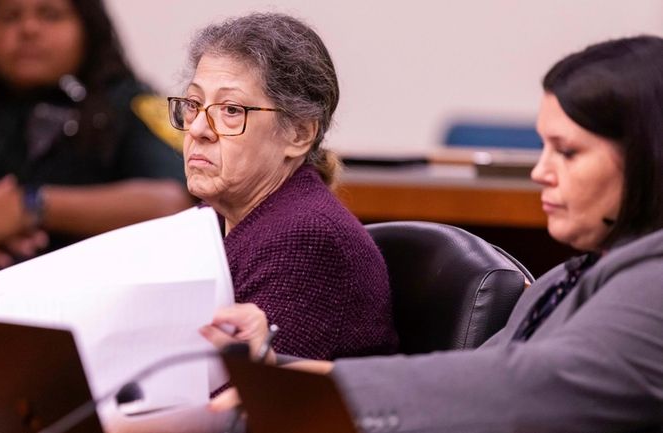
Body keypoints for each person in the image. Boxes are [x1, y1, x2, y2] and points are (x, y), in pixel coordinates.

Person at [202, 35, 663, 432]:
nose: (541, 171)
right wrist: (269, 373)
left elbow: (525, 386)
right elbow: (475, 377)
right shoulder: (565, 278)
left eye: (567, 151)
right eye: (544, 148)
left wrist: (288, 393)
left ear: (648, 156)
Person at [0, 0, 192, 404]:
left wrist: (33, 206)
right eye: (11, 16)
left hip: (68, 356)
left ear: (88, 27)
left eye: (49, 14)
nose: (28, 29)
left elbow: (173, 202)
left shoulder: (128, 106)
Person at [170, 13, 398, 362]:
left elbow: (243, 404)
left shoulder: (307, 239)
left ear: (299, 134)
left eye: (230, 110)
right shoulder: (206, 222)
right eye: (193, 105)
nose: (199, 128)